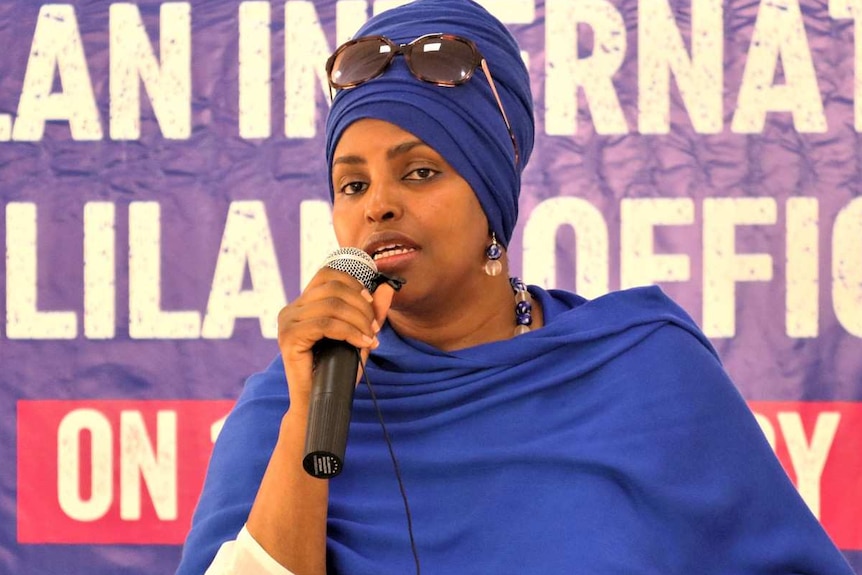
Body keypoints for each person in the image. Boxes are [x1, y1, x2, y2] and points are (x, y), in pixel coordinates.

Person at [175, 1, 855, 573]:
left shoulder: (644, 369)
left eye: (418, 173)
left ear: (491, 193)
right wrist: (305, 424)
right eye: (352, 184)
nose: (376, 204)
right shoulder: (289, 402)